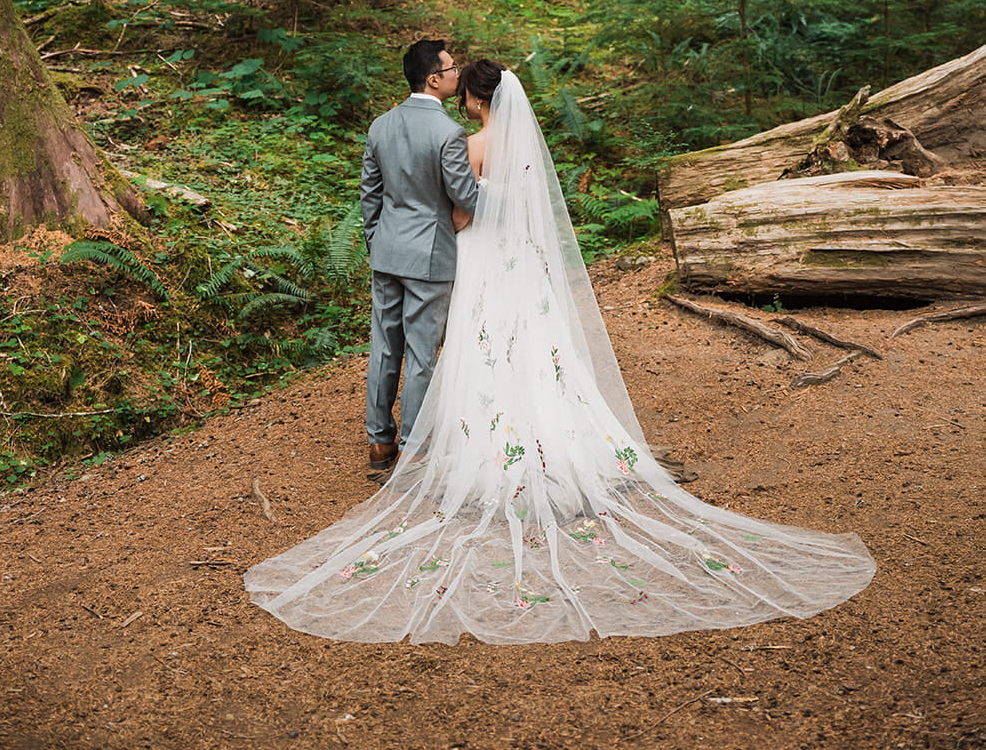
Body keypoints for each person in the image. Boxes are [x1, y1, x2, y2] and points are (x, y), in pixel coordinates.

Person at [246, 65, 875, 645]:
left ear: (473, 97)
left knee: (448, 348)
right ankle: (528, 444)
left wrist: (427, 228)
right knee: (528, 348)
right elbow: (500, 204)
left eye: (465, 86)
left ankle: (415, 442)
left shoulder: (445, 138)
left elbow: (453, 206)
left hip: (449, 254)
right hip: (522, 263)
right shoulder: (510, 143)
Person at [358, 39, 479, 480]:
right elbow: (464, 196)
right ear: (434, 79)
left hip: (387, 251)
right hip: (430, 254)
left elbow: (370, 196)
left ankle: (379, 443)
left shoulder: (381, 126)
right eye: (451, 68)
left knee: (385, 347)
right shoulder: (448, 133)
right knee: (422, 353)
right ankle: (412, 449)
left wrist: (377, 240)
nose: (456, 74)